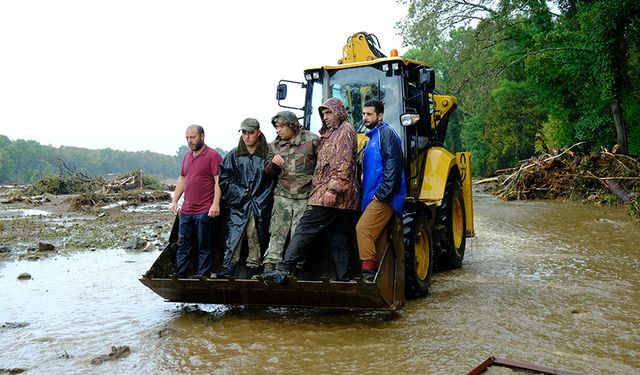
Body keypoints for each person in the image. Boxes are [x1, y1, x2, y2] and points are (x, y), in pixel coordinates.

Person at [262, 98, 359, 284]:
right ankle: (343, 280)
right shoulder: (331, 133)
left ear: (338, 111)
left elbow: (343, 164)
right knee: (338, 239)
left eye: (329, 112)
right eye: (323, 113)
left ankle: (282, 270)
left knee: (303, 229)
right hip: (333, 196)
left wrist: (332, 189)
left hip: (330, 195)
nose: (325, 117)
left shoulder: (344, 131)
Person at [261, 111, 319, 273]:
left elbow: (322, 167)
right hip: (282, 195)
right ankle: (270, 264)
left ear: (292, 125)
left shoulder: (312, 141)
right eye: (276, 127)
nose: (278, 130)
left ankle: (296, 267)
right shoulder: (274, 146)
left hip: (305, 196)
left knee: (298, 234)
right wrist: (273, 164)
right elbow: (268, 173)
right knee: (277, 231)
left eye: (281, 126)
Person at [217, 118, 275, 278]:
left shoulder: (269, 153)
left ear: (259, 132)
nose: (247, 136)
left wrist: (264, 199)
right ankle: (229, 266)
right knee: (234, 234)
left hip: (261, 203)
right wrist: (240, 192)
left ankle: (253, 266)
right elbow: (224, 178)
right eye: (244, 132)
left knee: (255, 234)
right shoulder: (233, 155)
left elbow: (276, 179)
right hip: (239, 204)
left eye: (250, 132)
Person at [356, 100, 406, 282]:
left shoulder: (386, 135)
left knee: (363, 230)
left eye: (369, 114)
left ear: (380, 116)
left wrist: (383, 194)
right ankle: (388, 281)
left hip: (385, 196)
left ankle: (369, 276)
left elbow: (393, 165)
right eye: (363, 114)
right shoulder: (370, 138)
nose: (365, 117)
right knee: (381, 239)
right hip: (372, 195)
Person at [170, 124, 222, 279]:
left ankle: (203, 274)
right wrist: (174, 201)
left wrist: (215, 203)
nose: (190, 141)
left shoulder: (213, 156)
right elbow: (182, 179)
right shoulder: (187, 156)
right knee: (183, 244)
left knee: (203, 244)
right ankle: (180, 272)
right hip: (186, 210)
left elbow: (218, 181)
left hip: (205, 209)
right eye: (187, 138)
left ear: (202, 136)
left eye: (193, 137)